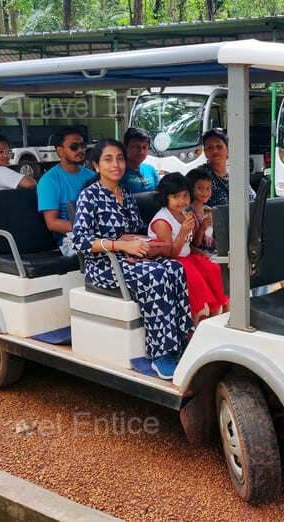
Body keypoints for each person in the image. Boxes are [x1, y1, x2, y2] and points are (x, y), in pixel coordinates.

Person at [72, 139, 193, 380]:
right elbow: (80, 241)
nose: (116, 164)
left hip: (131, 258)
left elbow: (137, 228)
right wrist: (120, 245)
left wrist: (143, 245)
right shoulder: (90, 196)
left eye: (119, 158)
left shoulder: (125, 194)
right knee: (156, 275)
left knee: (174, 268)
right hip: (104, 265)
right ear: (96, 166)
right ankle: (161, 353)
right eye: (108, 159)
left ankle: (181, 341)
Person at [148, 173, 228, 325]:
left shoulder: (184, 214)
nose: (182, 201)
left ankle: (215, 315)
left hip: (188, 256)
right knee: (197, 285)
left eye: (185, 196)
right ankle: (195, 324)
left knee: (214, 271)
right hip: (173, 260)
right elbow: (170, 253)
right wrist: (184, 231)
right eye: (176, 197)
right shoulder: (162, 221)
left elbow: (189, 245)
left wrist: (201, 252)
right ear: (166, 198)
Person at [37, 127, 95, 250]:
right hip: (69, 240)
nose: (80, 150)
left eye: (82, 145)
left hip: (96, 234)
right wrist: (90, 229)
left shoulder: (92, 176)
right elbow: (52, 223)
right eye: (74, 147)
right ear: (60, 151)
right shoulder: (49, 181)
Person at [187, 128, 255, 208]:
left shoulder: (236, 174)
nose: (215, 151)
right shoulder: (199, 174)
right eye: (210, 147)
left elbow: (253, 199)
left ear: (228, 149)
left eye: (219, 146)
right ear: (205, 152)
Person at [186, 167, 216, 256]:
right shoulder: (188, 213)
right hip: (198, 254)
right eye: (200, 188)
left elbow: (212, 237)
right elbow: (193, 244)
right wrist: (202, 229)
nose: (205, 192)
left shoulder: (208, 210)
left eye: (208, 188)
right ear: (190, 188)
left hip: (211, 252)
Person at [120, 127, 160, 193]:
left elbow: (160, 195)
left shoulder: (150, 169)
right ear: (125, 148)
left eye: (144, 147)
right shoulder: (117, 173)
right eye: (136, 147)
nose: (141, 151)